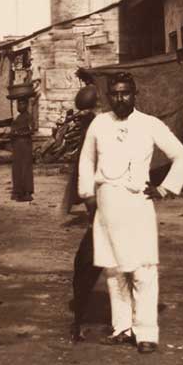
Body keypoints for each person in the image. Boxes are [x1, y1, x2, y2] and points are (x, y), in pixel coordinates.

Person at [77, 71, 183, 354]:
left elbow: (182, 156)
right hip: (106, 205)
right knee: (114, 271)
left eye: (125, 93)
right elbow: (86, 160)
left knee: (142, 269)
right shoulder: (99, 124)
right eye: (114, 93)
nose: (120, 98)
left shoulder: (149, 124)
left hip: (137, 205)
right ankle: (122, 328)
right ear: (108, 96)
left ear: (134, 93)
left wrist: (165, 188)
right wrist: (88, 196)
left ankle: (146, 333)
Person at [62, 84, 102, 342]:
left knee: (88, 264)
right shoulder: (90, 131)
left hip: (111, 205)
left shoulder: (101, 130)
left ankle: (81, 320)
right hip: (97, 205)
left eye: (88, 113)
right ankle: (80, 319)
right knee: (86, 264)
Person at [10, 101, 35, 202]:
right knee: (17, 168)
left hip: (25, 144)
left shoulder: (28, 117)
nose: (19, 106)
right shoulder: (18, 117)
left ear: (26, 105)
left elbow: (31, 130)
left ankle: (27, 192)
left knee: (25, 168)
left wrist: (18, 133)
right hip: (17, 145)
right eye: (18, 104)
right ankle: (18, 191)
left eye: (22, 104)